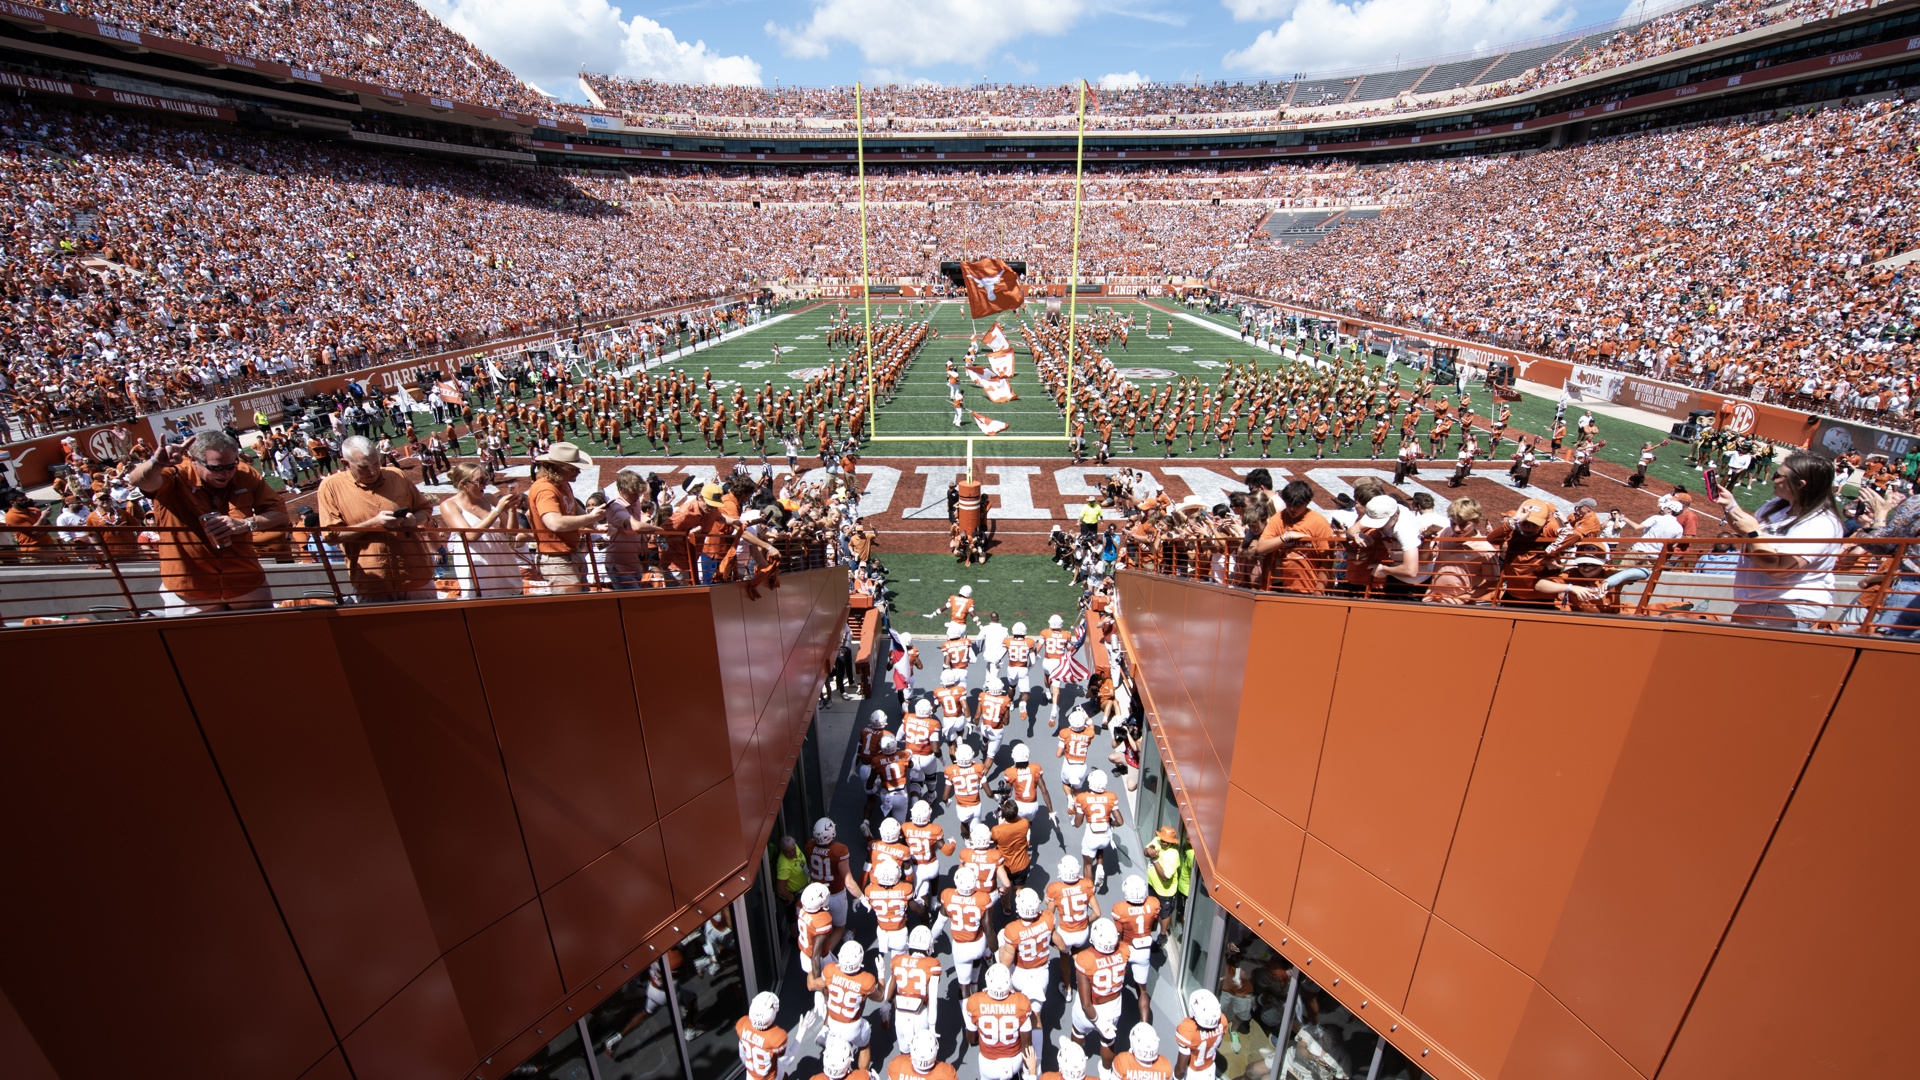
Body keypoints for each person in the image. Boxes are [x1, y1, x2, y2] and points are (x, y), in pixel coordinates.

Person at [125, 431, 288, 614]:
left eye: (231, 465)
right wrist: (156, 464)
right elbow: (138, 480)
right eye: (216, 468)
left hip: (244, 580)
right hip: (190, 587)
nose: (226, 473)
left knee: (260, 637)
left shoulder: (244, 473)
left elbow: (280, 514)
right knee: (197, 642)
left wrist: (245, 524)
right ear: (193, 460)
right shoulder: (175, 474)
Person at [1717, 452, 1844, 630]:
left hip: (1783, 604)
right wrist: (1730, 506)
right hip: (1763, 600)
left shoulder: (1819, 524)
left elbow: (1779, 569)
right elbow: (1746, 530)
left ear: (1800, 485)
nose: (1773, 479)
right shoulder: (1779, 506)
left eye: (1778, 476)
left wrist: (1753, 532)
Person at [317, 435, 436, 602]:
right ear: (345, 464)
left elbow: (425, 509)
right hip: (373, 583)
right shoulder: (330, 487)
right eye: (364, 467)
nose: (372, 471)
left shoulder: (397, 475)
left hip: (416, 575)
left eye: (376, 463)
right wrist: (373, 524)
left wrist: (413, 520)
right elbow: (330, 535)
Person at [437, 462, 525, 598]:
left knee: (512, 599)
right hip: (478, 564)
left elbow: (512, 531)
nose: (485, 484)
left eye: (487, 479)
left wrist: (512, 508)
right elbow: (470, 536)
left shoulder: (489, 498)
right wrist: (496, 511)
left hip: (501, 558)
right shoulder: (449, 505)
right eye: (480, 481)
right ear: (463, 484)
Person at [527, 441, 605, 592]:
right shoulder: (545, 489)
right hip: (558, 558)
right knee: (575, 609)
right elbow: (555, 523)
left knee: (581, 605)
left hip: (569, 555)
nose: (578, 472)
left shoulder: (562, 484)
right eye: (573, 468)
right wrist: (592, 518)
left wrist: (596, 524)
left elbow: (574, 507)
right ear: (556, 467)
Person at [806, 941, 882, 1069]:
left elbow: (811, 985)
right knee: (864, 1045)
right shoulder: (866, 980)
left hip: (833, 1024)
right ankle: (863, 1074)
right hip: (852, 1026)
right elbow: (880, 997)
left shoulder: (830, 970)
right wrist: (881, 973)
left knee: (834, 1058)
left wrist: (811, 967)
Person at [963, 964, 1036, 1078]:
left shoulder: (975, 1002)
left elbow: (971, 1039)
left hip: (988, 1064)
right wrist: (1028, 1072)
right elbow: (1027, 1044)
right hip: (1013, 1061)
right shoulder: (1021, 1002)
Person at [737, 991, 803, 1080]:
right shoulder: (775, 1038)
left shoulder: (743, 1025)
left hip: (751, 1075)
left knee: (784, 1075)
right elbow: (788, 1060)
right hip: (770, 1077)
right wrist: (801, 1032)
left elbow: (742, 1056)